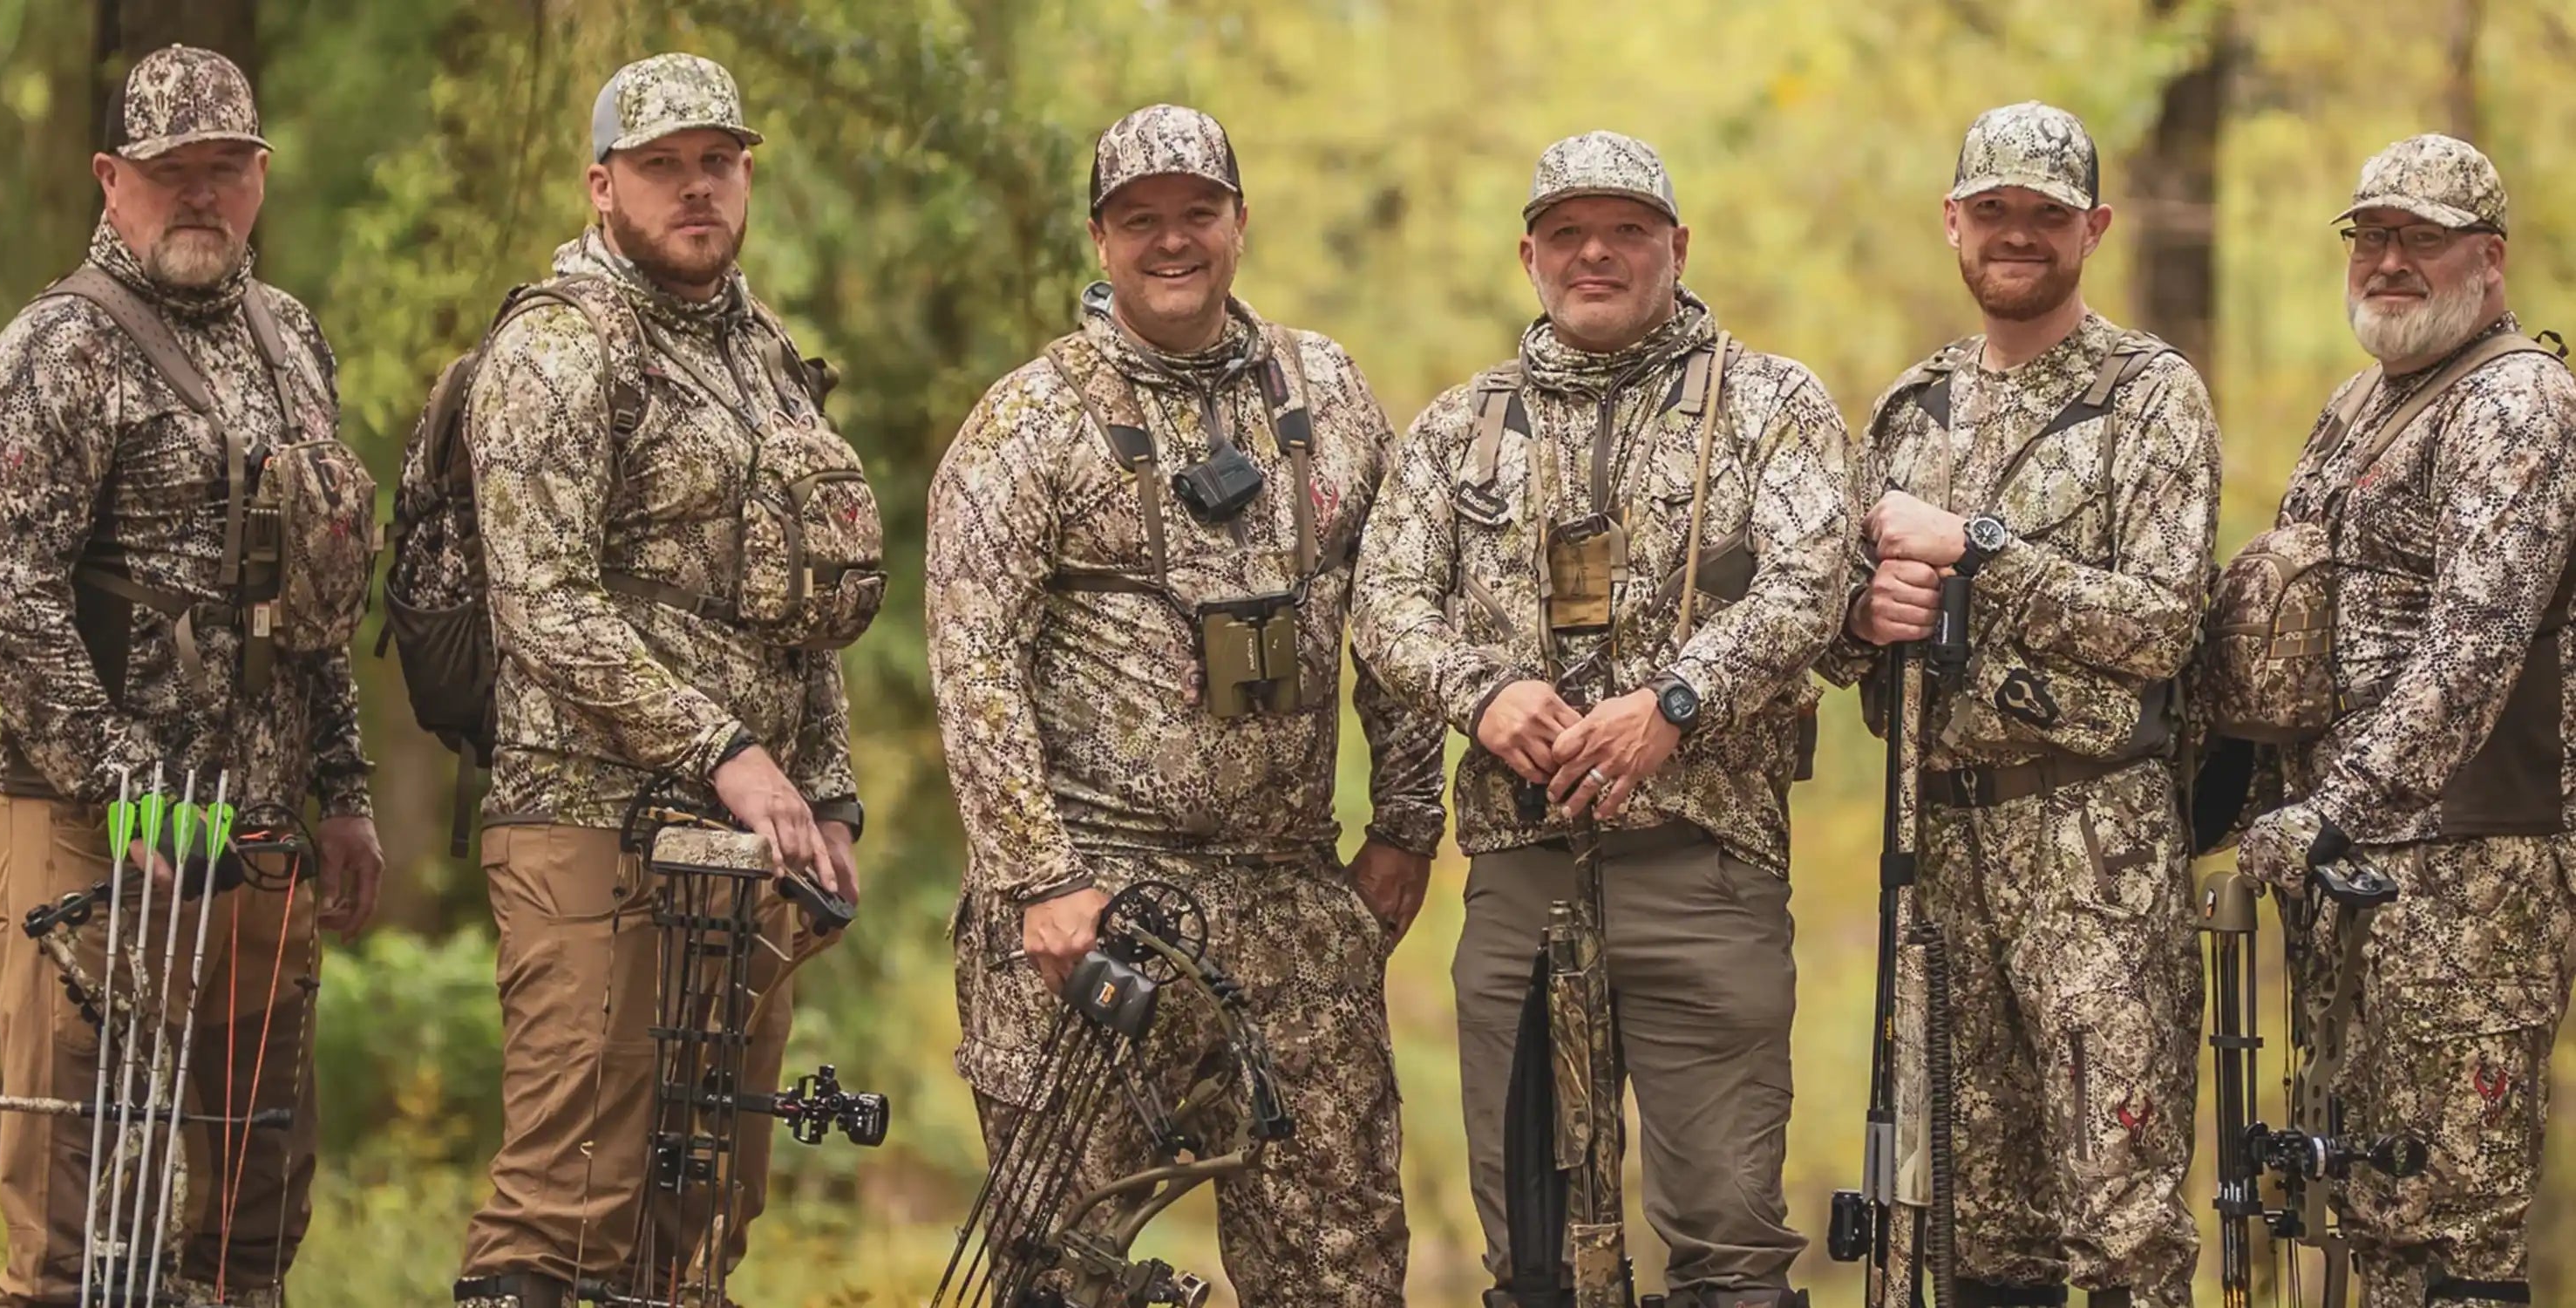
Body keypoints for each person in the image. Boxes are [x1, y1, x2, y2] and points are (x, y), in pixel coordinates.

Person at [928, 102, 1446, 1305]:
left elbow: (1397, 608)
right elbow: (972, 660)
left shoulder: (1329, 391)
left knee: (1343, 1266)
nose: (1173, 241)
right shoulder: (1029, 420)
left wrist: (1409, 823)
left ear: (1238, 223)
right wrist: (1039, 878)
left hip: (1294, 894)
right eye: (1140, 219)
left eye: (1196, 213)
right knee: (1074, 1266)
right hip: (1101, 912)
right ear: (1100, 241)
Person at [1352, 128, 1851, 1308]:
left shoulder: (1767, 403)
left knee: (1728, 1242)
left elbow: (1815, 576)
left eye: (1626, 230)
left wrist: (1676, 703)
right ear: (1530, 254)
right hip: (1521, 876)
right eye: (1569, 233)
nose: (1596, 254)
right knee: (1534, 1253)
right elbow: (1383, 599)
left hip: (1701, 874)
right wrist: (1483, 694)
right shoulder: (1459, 427)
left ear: (1676, 247)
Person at [447, 51, 877, 1306]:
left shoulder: (764, 354)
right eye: (662, 167)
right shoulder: (558, 346)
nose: (697, 189)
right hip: (590, 825)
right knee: (567, 1205)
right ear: (602, 187)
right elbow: (540, 606)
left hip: (743, 846)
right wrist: (725, 751)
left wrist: (827, 791)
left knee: (703, 1207)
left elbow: (803, 610)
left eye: (718, 163)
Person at [0, 44, 382, 1307]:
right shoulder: (56, 349)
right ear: (110, 179)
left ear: (259, 179)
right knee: (84, 1215)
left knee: (255, 1204)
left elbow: (316, 590)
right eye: (169, 172)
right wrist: (128, 786)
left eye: (225, 169)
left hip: (255, 840)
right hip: (94, 842)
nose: (198, 195)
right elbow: (7, 597)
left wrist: (346, 787)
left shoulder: (290, 335)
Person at [1822, 101, 2219, 1308]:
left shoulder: (2149, 396)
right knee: (1973, 1220)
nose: (2016, 235)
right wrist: (1861, 617)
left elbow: (2161, 624)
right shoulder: (1910, 408)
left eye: (2044, 215)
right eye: (1992, 211)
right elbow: (1836, 640)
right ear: (1954, 221)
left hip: (2094, 846)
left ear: (2091, 228)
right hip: (1934, 845)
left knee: (2121, 1213)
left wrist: (1978, 549)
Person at [2235, 133, 2576, 1308]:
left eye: (2418, 239)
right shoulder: (2358, 406)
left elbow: (2475, 645)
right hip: (2353, 872)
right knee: (2362, 1215)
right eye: (2371, 237)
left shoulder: (2521, 399)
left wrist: (2332, 808)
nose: (2388, 260)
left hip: (2470, 874)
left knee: (2449, 1232)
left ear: (2486, 259)